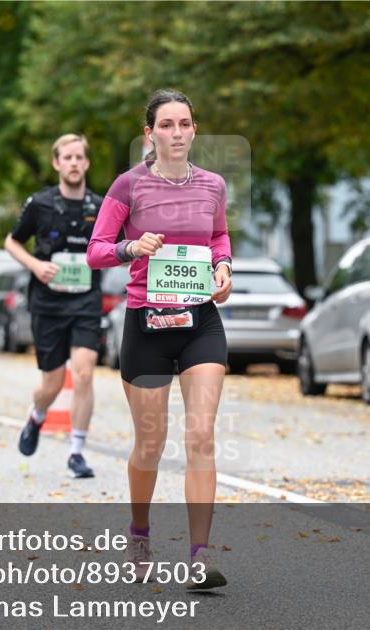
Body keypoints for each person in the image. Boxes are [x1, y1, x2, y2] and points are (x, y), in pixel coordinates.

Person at [86, 90, 233, 589]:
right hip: (147, 324)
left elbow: (218, 237)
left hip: (199, 322)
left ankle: (198, 556)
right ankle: (140, 533)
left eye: (184, 123)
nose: (176, 132)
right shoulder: (128, 186)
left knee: (201, 436)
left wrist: (223, 267)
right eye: (165, 124)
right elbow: (96, 251)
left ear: (194, 130)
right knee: (151, 444)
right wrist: (132, 246)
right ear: (149, 133)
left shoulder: (213, 185)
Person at [4, 134, 105, 479]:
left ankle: (76, 452)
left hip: (86, 301)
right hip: (47, 302)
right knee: (52, 382)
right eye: (68, 157)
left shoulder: (101, 206)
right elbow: (11, 241)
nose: (74, 163)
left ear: (87, 163)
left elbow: (114, 246)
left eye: (80, 157)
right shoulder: (40, 203)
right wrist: (35, 265)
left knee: (84, 372)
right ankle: (37, 416)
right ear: (56, 163)